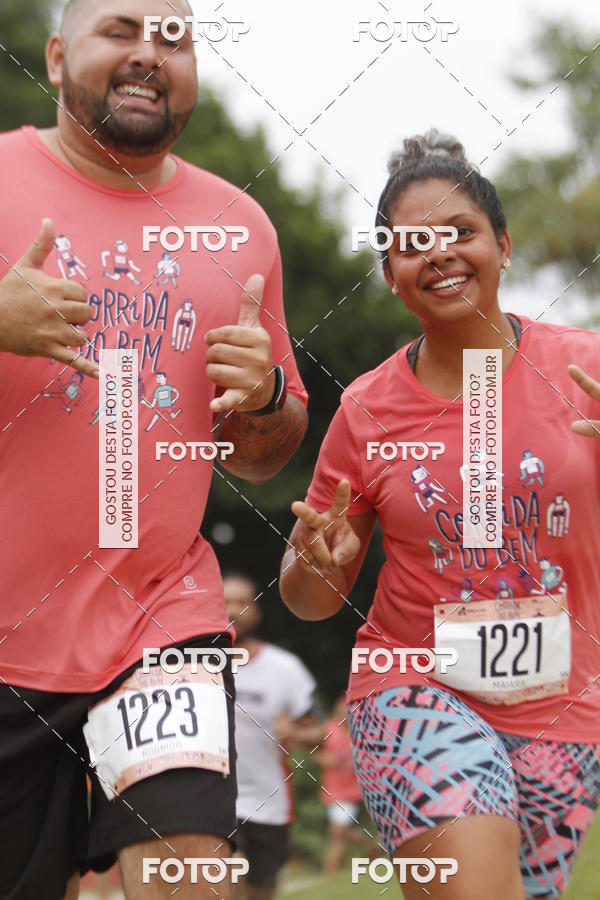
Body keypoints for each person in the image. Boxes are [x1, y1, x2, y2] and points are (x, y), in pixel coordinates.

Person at [0, 2, 308, 898]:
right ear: (57, 57)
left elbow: (261, 455)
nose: (148, 54)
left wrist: (268, 397)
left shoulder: (239, 225)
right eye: (120, 31)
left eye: (173, 38)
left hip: (159, 619)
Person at [280, 130, 600, 899]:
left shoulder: (583, 366)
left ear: (504, 245)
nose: (441, 254)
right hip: (411, 686)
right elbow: (311, 599)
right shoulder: (367, 409)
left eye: (460, 233)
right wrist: (315, 562)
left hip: (566, 704)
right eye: (413, 244)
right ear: (391, 273)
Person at [224, 573, 322, 900]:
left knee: (260, 893)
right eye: (225, 601)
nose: (233, 609)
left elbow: (320, 733)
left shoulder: (285, 668)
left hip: (269, 803)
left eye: (241, 602)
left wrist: (295, 731)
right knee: (225, 883)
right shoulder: (194, 665)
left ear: (256, 611)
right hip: (214, 801)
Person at [315, 694, 376, 877]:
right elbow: (314, 753)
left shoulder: (358, 733)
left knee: (338, 831)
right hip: (333, 790)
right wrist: (328, 760)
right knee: (340, 831)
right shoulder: (327, 730)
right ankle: (370, 848)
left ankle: (329, 875)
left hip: (353, 790)